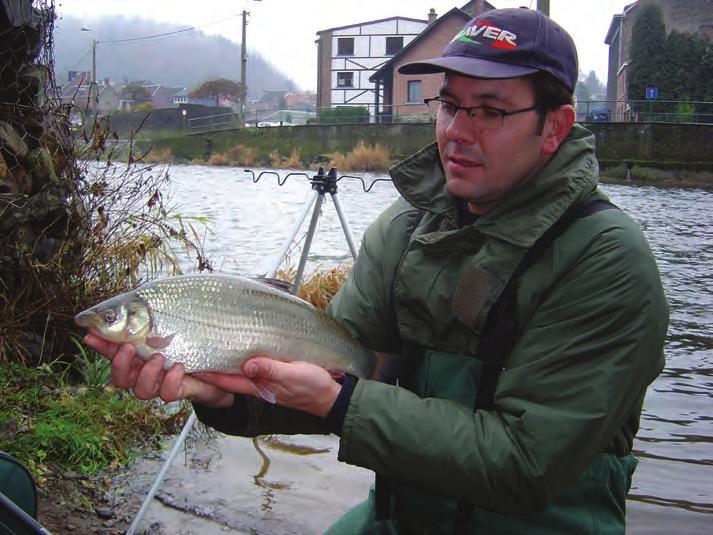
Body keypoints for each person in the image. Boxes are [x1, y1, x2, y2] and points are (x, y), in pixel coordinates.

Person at [84, 8, 669, 534]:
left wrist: (342, 405)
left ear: (555, 128)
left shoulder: (607, 261)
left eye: (490, 111)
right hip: (403, 519)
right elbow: (331, 369)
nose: (456, 132)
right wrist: (219, 393)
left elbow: (524, 464)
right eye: (449, 104)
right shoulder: (407, 227)